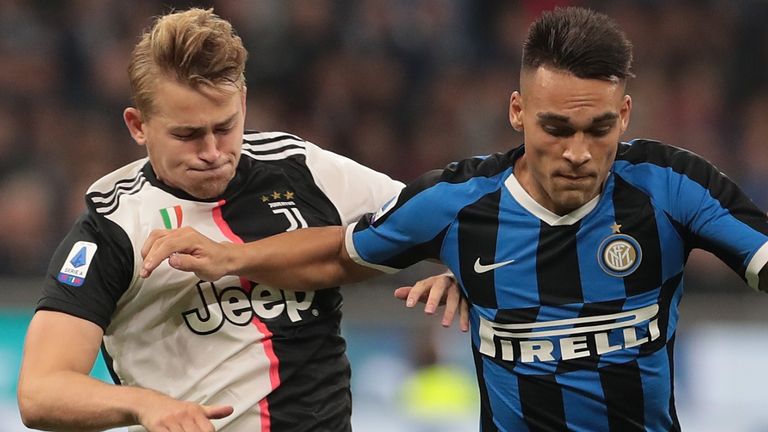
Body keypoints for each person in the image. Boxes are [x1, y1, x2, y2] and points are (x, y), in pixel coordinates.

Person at [141, 6, 768, 432]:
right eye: (556, 128)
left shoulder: (671, 185)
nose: (578, 151)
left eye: (598, 128)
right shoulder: (458, 204)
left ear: (625, 116)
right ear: (518, 112)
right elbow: (343, 253)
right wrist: (234, 256)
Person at [16, 8, 465, 432]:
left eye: (225, 127)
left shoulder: (303, 169)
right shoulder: (112, 227)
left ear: (244, 103)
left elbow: (449, 219)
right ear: (138, 125)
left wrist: (457, 268)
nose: (212, 152)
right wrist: (145, 404)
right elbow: (40, 391)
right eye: (187, 135)